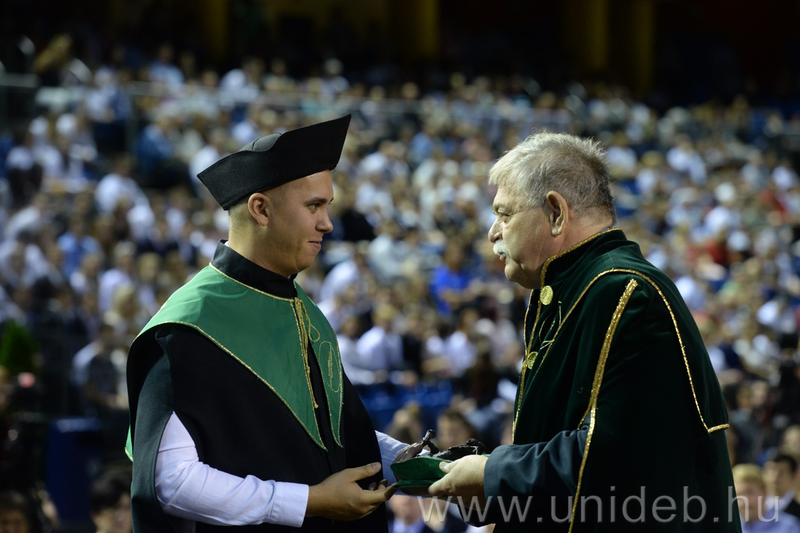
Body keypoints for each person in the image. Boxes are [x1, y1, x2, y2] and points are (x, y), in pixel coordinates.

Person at [427, 132, 740, 531]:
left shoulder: (626, 293)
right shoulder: (577, 288)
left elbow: (617, 458)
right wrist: (495, 491)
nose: (493, 232)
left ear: (556, 213)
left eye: (504, 214)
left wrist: (494, 473)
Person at [126, 115, 402, 532]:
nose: (327, 222)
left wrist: (408, 462)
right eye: (314, 206)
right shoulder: (185, 327)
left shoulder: (303, 309)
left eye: (328, 206)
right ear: (261, 208)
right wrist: (309, 501)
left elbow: (323, 437)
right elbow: (171, 481)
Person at [732, 464, 800, 532]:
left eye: (750, 493)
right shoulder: (729, 527)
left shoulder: (788, 527)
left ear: (765, 493)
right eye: (738, 494)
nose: (745, 500)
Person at [763, 452, 800, 520]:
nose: (775, 476)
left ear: (793, 476)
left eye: (782, 472)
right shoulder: (753, 507)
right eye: (772, 470)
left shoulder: (797, 513)